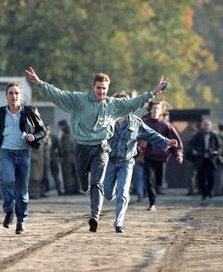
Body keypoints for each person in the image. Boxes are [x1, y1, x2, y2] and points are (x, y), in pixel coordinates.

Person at [25, 66, 166, 232]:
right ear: (93, 87)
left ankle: (94, 216)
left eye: (104, 88)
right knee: (84, 183)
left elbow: (134, 103)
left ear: (108, 89)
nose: (101, 91)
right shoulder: (79, 100)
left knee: (97, 183)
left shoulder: (113, 105)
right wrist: (40, 83)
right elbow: (58, 94)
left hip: (101, 147)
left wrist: (153, 92)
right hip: (82, 148)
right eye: (98, 88)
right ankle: (84, 184)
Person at [103, 92, 178, 233]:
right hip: (110, 162)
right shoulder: (106, 120)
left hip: (126, 162)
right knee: (108, 194)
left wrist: (167, 142)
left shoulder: (135, 122)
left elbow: (151, 134)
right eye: (118, 103)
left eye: (124, 103)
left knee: (123, 192)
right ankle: (111, 193)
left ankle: (118, 223)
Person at [0, 82, 47, 234]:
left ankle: (21, 221)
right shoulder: (0, 112)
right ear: (6, 96)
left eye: (16, 93)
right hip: (7, 153)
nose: (14, 96)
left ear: (21, 95)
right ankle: (8, 210)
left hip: (24, 153)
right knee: (6, 181)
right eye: (10, 93)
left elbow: (42, 130)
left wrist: (34, 136)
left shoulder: (30, 111)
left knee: (21, 191)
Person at [143, 101, 184, 210]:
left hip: (162, 156)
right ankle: (152, 203)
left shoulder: (166, 124)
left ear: (161, 111)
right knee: (148, 179)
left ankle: (157, 190)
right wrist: (139, 146)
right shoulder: (145, 123)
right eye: (154, 108)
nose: (155, 110)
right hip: (148, 155)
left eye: (158, 109)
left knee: (159, 182)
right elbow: (137, 137)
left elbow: (175, 141)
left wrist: (178, 154)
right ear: (150, 110)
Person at [186, 120, 222, 200]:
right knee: (201, 177)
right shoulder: (198, 135)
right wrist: (194, 150)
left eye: (208, 125)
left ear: (211, 127)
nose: (206, 127)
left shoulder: (214, 135)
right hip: (201, 159)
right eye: (205, 125)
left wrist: (216, 152)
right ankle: (204, 194)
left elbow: (219, 146)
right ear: (202, 126)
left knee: (211, 177)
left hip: (211, 159)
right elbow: (190, 144)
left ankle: (210, 191)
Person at [58, 120, 80, 195]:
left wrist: (60, 156)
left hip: (67, 157)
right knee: (75, 174)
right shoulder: (73, 133)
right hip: (75, 157)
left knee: (67, 174)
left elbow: (64, 148)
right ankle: (76, 189)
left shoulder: (65, 134)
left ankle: (69, 189)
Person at [49, 126, 64, 195]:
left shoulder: (54, 137)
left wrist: (60, 156)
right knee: (42, 175)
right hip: (44, 157)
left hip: (52, 157)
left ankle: (59, 189)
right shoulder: (41, 136)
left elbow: (59, 147)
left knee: (56, 174)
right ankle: (42, 191)